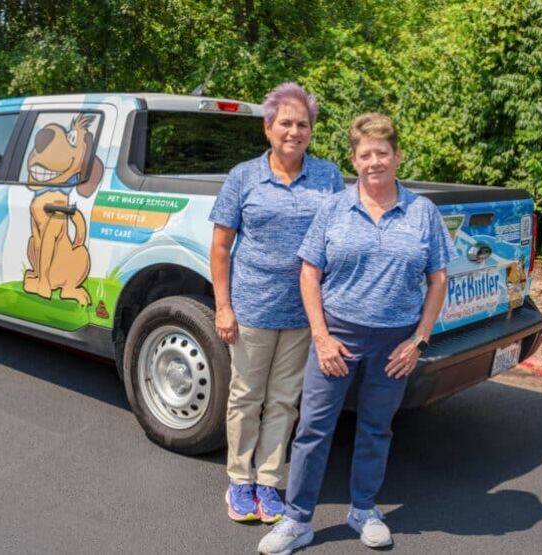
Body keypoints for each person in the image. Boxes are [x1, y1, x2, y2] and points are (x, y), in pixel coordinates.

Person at [258, 113, 456, 553]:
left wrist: (419, 340)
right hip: (337, 338)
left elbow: (438, 278)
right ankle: (297, 520)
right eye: (365, 155)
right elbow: (309, 273)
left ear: (397, 156)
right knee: (313, 429)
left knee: (376, 428)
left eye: (382, 153)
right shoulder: (334, 208)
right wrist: (321, 337)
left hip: (394, 344)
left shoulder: (422, 212)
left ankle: (364, 510)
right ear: (354, 160)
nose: (374, 162)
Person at [209, 82, 344, 523]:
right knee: (246, 398)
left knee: (285, 401)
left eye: (302, 124)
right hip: (252, 308)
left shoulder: (327, 176)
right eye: (285, 123)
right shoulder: (244, 177)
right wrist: (223, 307)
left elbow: (340, 237)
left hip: (304, 314)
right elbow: (221, 247)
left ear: (311, 131)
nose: (294, 131)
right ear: (268, 128)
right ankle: (239, 481)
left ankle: (268, 481)